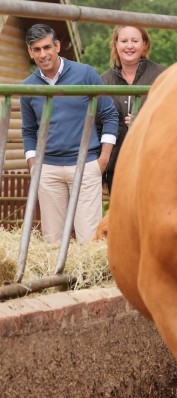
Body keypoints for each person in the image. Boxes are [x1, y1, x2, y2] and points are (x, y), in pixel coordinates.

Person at [20, 24, 119, 244]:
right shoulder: (27, 87)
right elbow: (28, 130)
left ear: (57, 46)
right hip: (47, 170)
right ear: (30, 52)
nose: (43, 54)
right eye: (36, 49)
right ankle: (57, 280)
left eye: (47, 47)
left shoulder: (85, 74)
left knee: (89, 239)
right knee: (52, 241)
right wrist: (33, 165)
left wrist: (102, 160)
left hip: (86, 166)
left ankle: (88, 281)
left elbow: (109, 114)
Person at [100, 25, 165, 192]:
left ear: (144, 44)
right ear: (116, 44)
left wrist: (143, 123)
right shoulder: (103, 81)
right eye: (124, 41)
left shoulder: (162, 76)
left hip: (153, 164)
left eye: (135, 41)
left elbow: (172, 119)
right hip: (116, 165)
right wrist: (100, 168)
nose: (129, 46)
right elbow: (96, 125)